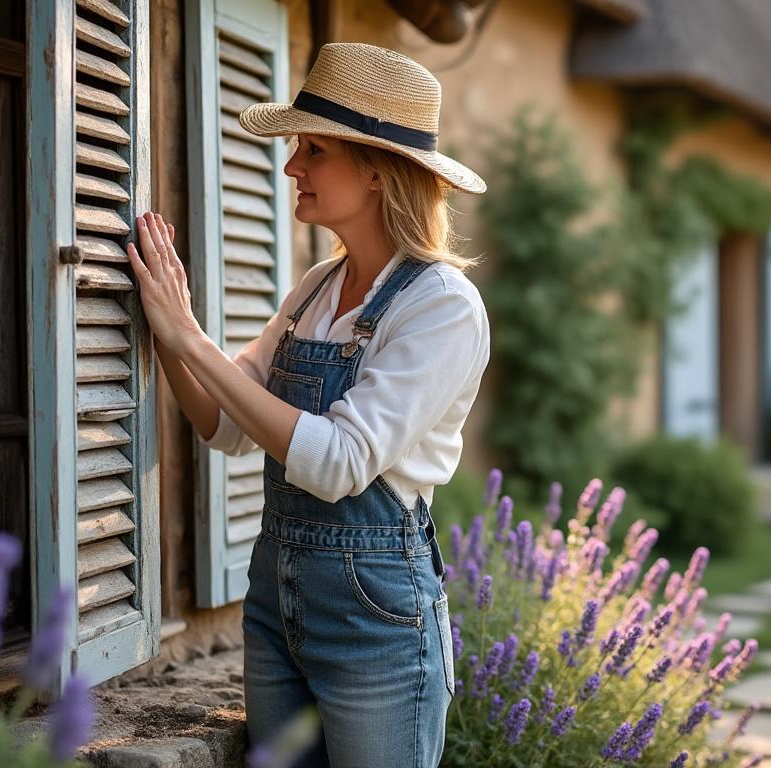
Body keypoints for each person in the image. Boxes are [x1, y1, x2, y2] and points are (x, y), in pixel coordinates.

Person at [124, 42, 490, 768]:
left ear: (379, 170)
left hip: (377, 616)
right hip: (275, 601)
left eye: (313, 150)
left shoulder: (443, 307)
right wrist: (165, 326)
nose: (292, 167)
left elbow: (339, 463)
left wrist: (193, 341)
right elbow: (224, 423)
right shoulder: (318, 288)